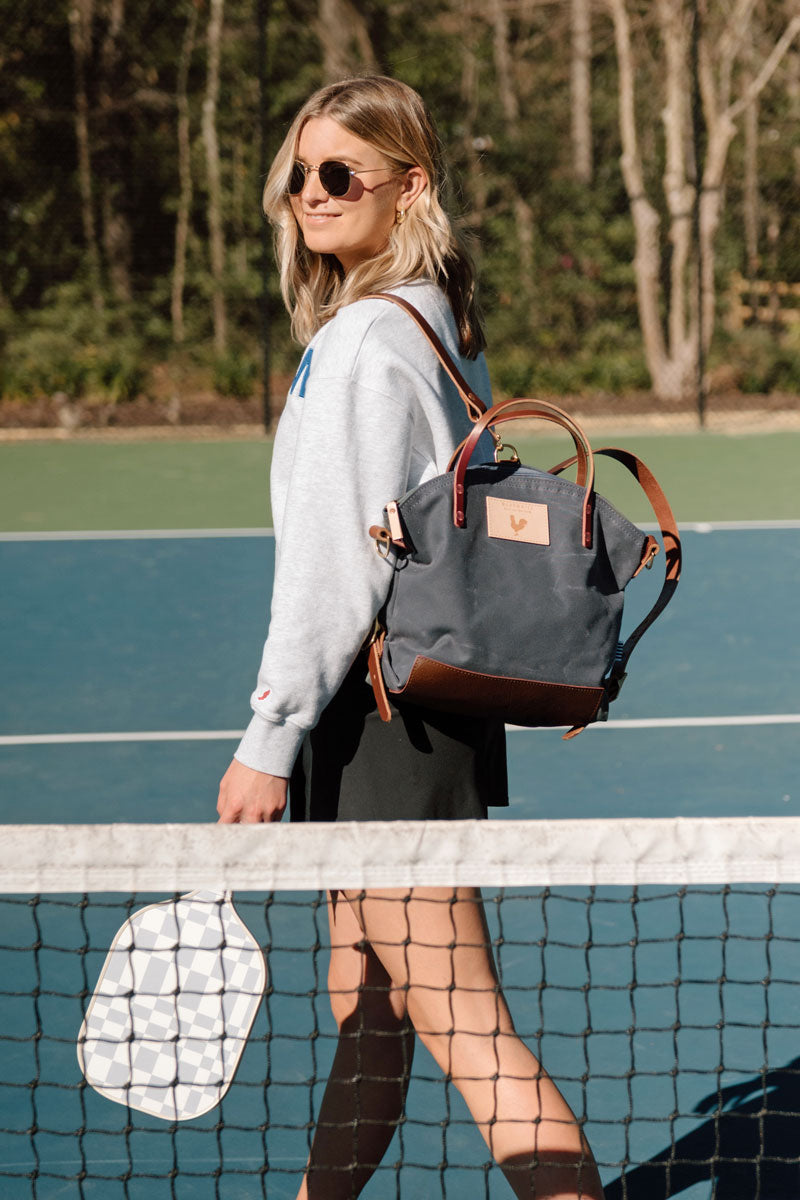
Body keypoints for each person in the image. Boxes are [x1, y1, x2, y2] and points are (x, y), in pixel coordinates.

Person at [216, 74, 605, 1200]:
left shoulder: (366, 343)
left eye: (341, 173)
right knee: (369, 1017)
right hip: (398, 713)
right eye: (300, 173)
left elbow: (338, 562)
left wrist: (269, 738)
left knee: (467, 1029)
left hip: (383, 723)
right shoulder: (436, 327)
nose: (313, 191)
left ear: (409, 185)